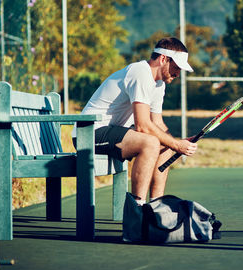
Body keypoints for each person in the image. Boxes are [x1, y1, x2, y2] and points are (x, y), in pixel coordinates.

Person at [72, 37, 197, 205]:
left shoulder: (159, 84)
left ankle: (156, 206)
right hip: (88, 134)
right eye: (176, 67)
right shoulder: (140, 72)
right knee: (151, 143)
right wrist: (176, 145)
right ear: (163, 59)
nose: (177, 74)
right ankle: (137, 209)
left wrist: (176, 143)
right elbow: (143, 126)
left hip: (112, 132)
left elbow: (158, 124)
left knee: (165, 145)